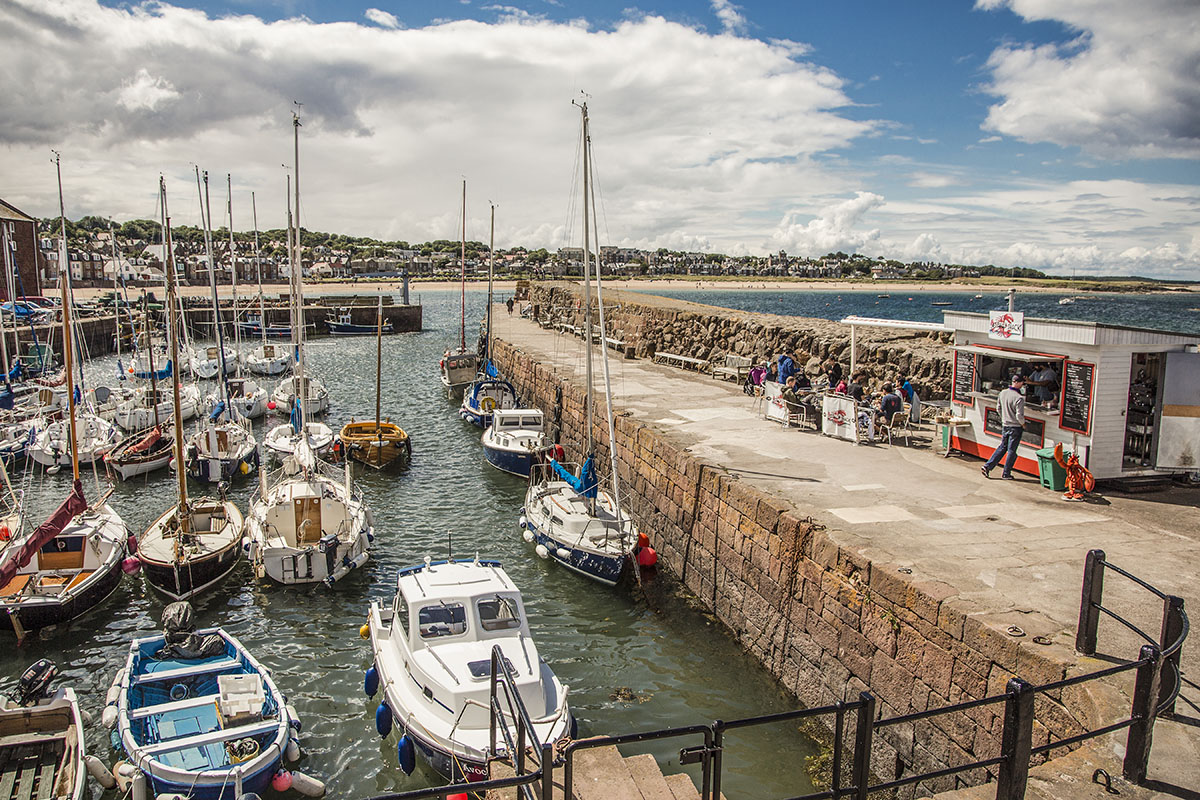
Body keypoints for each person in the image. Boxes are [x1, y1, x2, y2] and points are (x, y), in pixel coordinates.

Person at [982, 375, 1026, 480]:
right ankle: (1006, 473)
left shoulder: (1003, 393)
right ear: (1019, 383)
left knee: (1002, 446)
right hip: (1015, 427)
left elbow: (998, 408)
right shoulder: (1019, 398)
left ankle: (987, 466)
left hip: (1005, 425)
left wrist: (1004, 418)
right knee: (1011, 450)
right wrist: (1023, 424)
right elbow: (1019, 415)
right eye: (1022, 383)